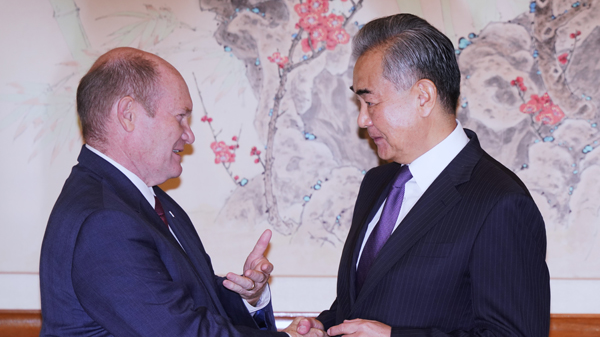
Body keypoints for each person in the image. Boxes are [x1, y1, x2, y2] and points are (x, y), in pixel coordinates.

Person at [39, 47, 323, 337]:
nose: (189, 135)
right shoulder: (104, 221)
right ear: (128, 114)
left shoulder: (148, 201)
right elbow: (179, 331)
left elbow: (190, 300)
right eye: (180, 117)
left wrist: (249, 298)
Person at [297, 14, 550, 336]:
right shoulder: (376, 184)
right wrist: (324, 325)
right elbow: (365, 303)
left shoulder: (500, 203)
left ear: (423, 97)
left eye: (370, 101)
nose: (362, 119)